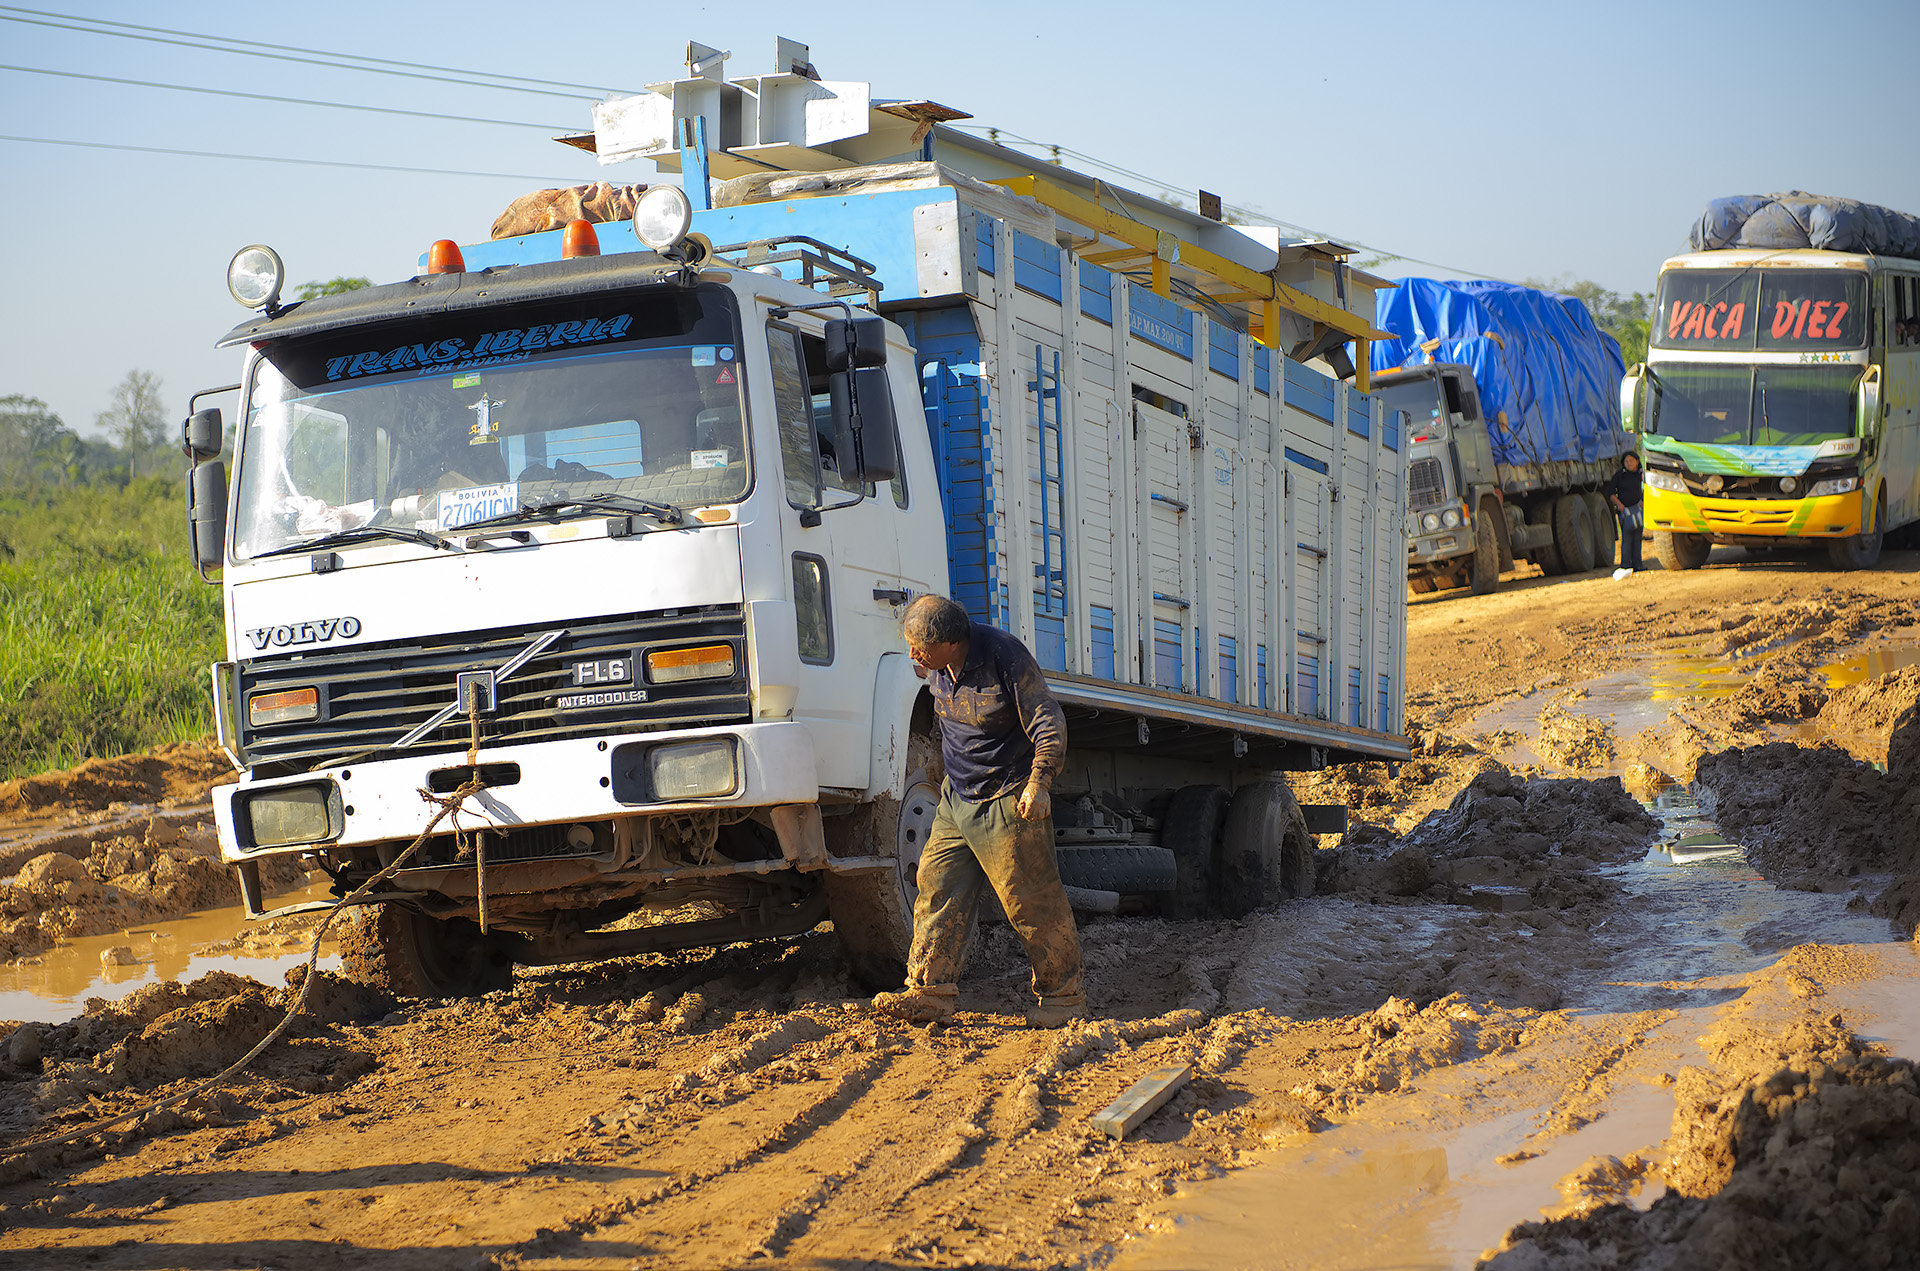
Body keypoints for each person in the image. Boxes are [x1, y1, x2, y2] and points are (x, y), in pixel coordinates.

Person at [873, 595, 1086, 1029]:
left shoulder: (1004, 657)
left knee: (1031, 902)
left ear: (952, 643)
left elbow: (1049, 721)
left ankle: (1064, 998)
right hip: (957, 799)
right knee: (936, 889)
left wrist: (1040, 783)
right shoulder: (938, 668)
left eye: (920, 646)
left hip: (1009, 797)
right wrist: (936, 760)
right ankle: (929, 991)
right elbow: (943, 716)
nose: (913, 654)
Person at [1608, 450, 1645, 577]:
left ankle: (1638, 565)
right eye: (1626, 462)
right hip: (1625, 512)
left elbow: (1648, 489)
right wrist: (1620, 505)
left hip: (1639, 511)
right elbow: (1611, 493)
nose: (1628, 464)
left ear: (1637, 461)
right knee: (1627, 538)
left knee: (1637, 538)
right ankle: (1625, 565)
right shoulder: (1619, 476)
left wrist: (1644, 502)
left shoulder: (1641, 475)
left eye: (1631, 461)